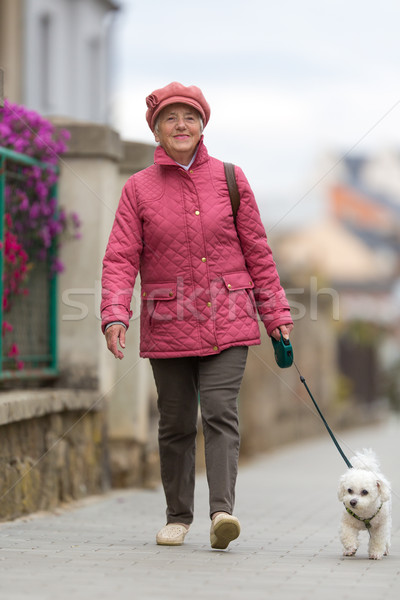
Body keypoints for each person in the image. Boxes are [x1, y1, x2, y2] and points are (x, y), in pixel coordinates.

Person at [101, 82, 293, 550]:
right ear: (157, 130)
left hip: (230, 317)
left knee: (221, 414)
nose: (181, 125)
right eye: (170, 118)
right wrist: (114, 314)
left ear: (202, 124)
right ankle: (177, 516)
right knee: (176, 422)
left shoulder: (230, 178)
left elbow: (258, 253)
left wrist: (276, 313)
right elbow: (120, 257)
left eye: (189, 116)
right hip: (168, 323)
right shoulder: (137, 189)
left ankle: (222, 513)